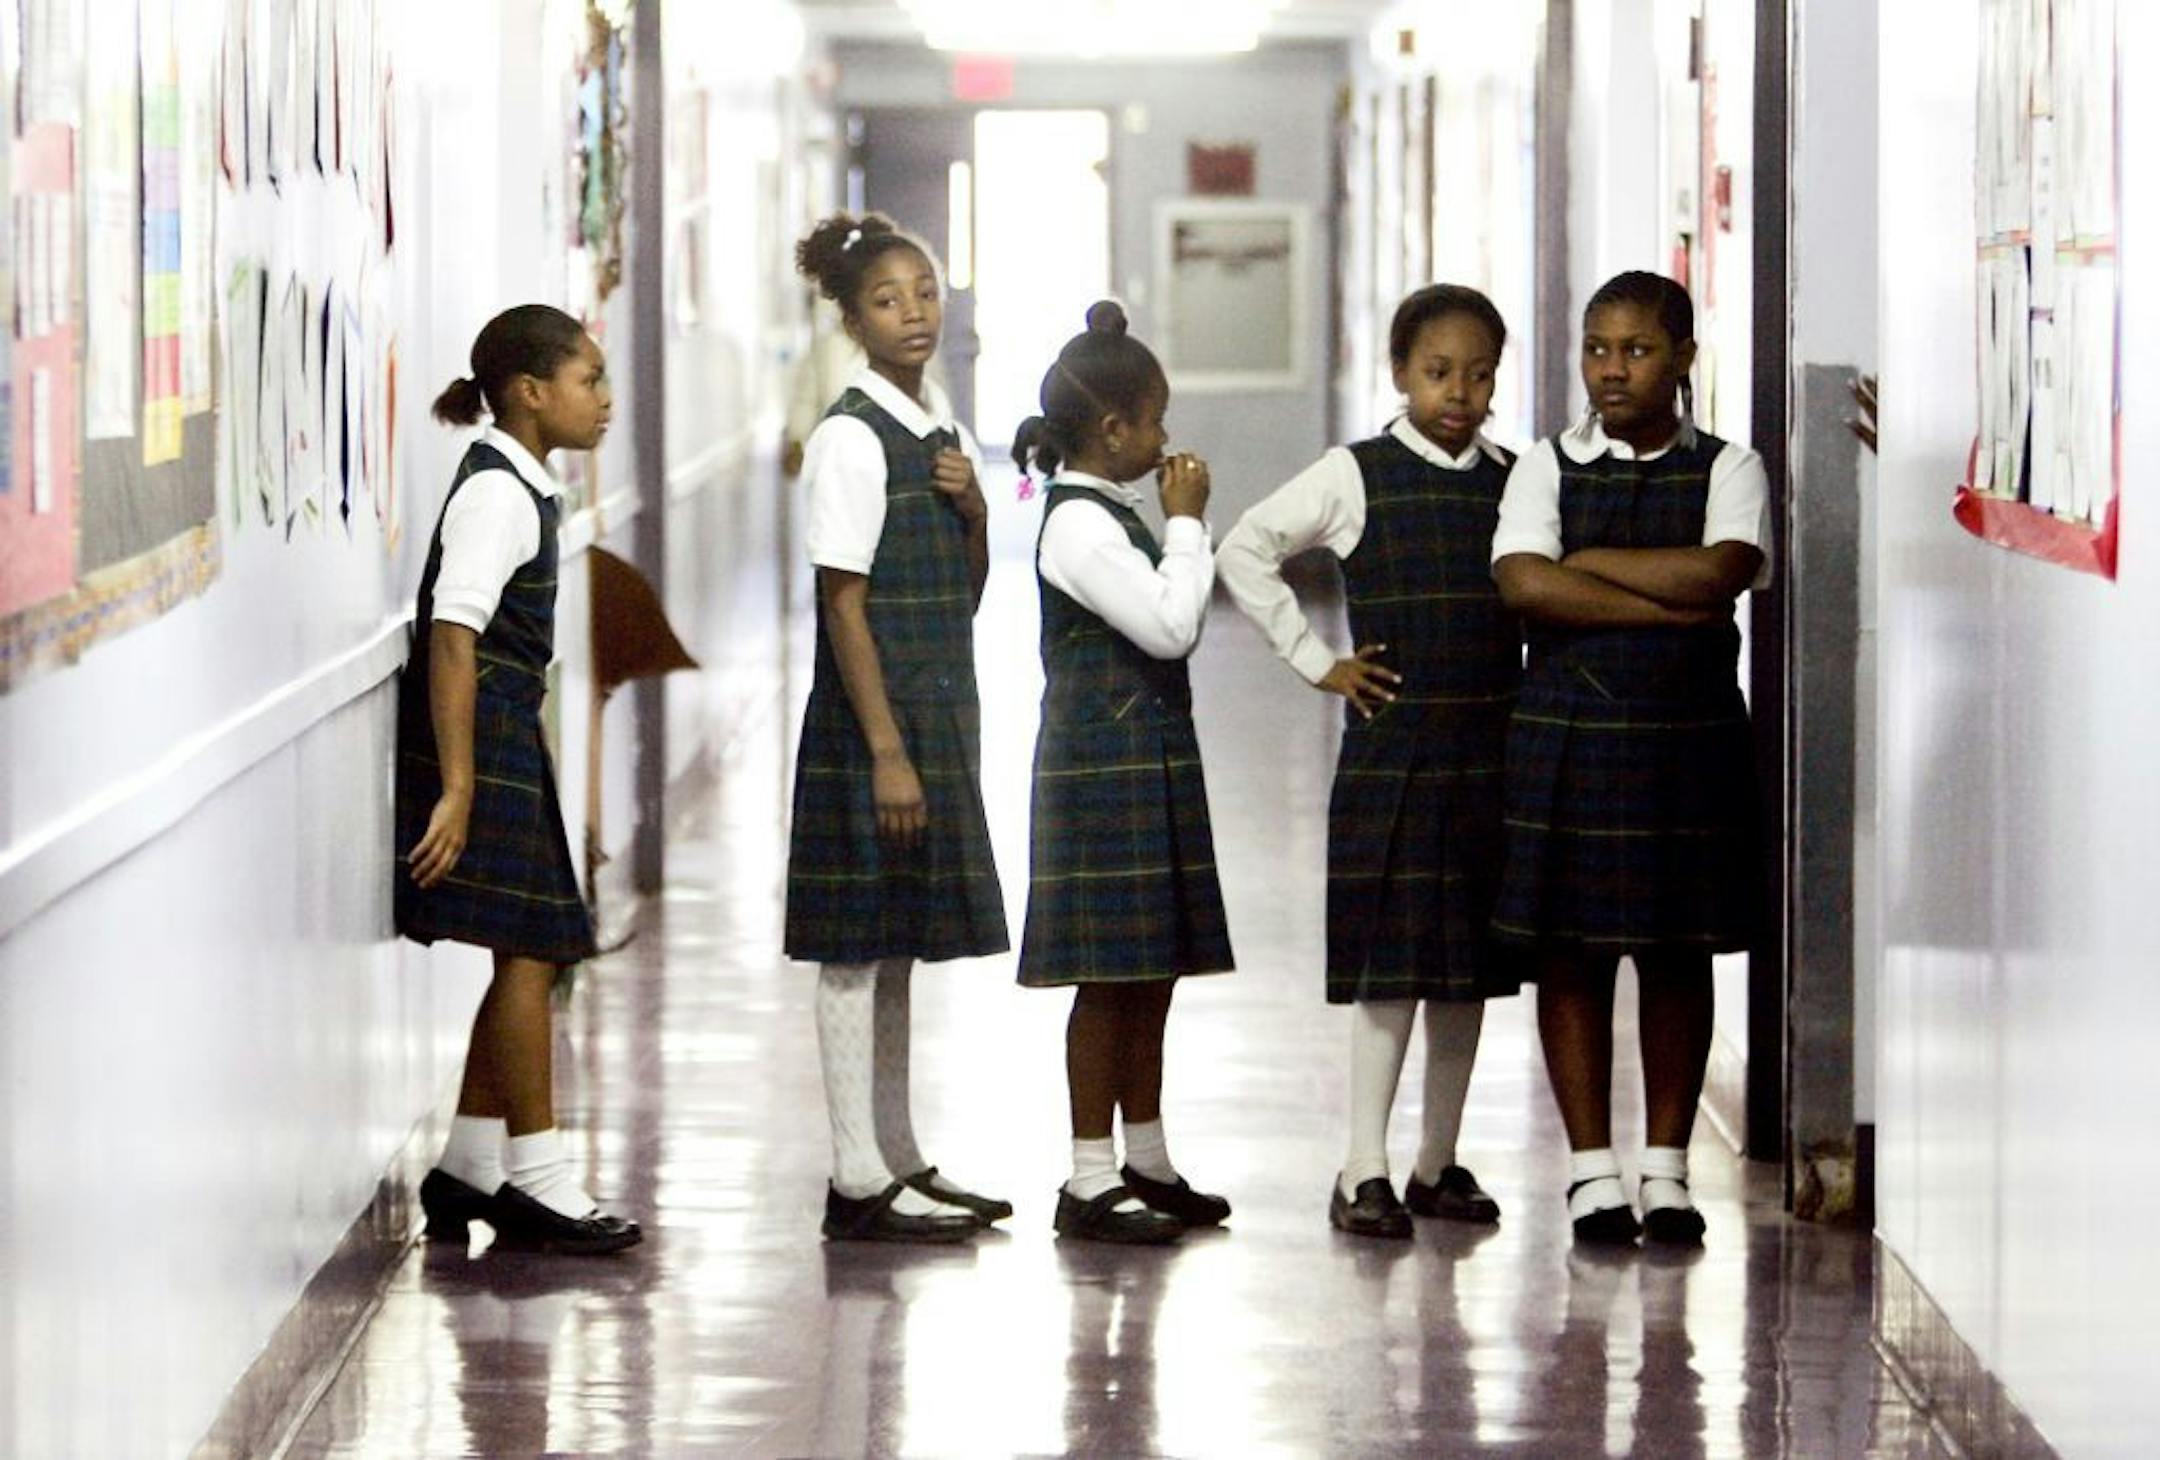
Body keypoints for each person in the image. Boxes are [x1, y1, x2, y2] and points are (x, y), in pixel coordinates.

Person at [1218, 284, 1521, 1240]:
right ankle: (1363, 1167)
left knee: (1467, 969)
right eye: (1438, 373)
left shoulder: (1516, 478)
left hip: (1488, 750)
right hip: (1394, 748)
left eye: (1478, 375)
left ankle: (1438, 1162)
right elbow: (1246, 547)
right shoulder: (1357, 475)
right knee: (1390, 966)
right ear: (1399, 373)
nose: (1458, 393)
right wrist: (1317, 661)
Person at [1489, 270, 1769, 1245]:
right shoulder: (1542, 467)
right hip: (1568, 735)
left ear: (1684, 358)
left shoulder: (1732, 467)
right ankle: (1591, 1171)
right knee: (1571, 954)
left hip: (1689, 743)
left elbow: (1723, 569)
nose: (1612, 369)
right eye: (1597, 348)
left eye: (1637, 349)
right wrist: (1673, 605)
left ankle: (1668, 1167)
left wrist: (1588, 564)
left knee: (1676, 949)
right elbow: (1525, 589)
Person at [785, 212, 1011, 1244]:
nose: (913, 312)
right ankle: (852, 1173)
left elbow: (964, 596)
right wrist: (885, 751)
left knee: (899, 944)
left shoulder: (939, 431)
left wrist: (974, 516)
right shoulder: (847, 436)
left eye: (923, 290)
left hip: (935, 704)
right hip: (872, 720)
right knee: (853, 945)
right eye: (887, 298)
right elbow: (843, 603)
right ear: (852, 317)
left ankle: (899, 1153)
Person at [401, 304, 640, 1255]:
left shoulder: (524, 482)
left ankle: (467, 1167)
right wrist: (457, 788)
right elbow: (451, 639)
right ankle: (536, 1179)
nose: (605, 399)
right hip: (482, 745)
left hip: (504, 739)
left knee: (529, 947)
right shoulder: (498, 494)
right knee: (533, 950)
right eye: (590, 380)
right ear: (532, 394)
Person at [1015, 301, 1235, 1245]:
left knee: (1152, 972)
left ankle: (1144, 1155)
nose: (1164, 437)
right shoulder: (1078, 528)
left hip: (1141, 755)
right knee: (1106, 977)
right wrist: (1189, 525)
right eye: (1154, 420)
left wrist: (1178, 529)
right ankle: (1087, 1174)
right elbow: (1171, 625)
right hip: (1101, 766)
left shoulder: (1112, 510)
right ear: (1113, 430)